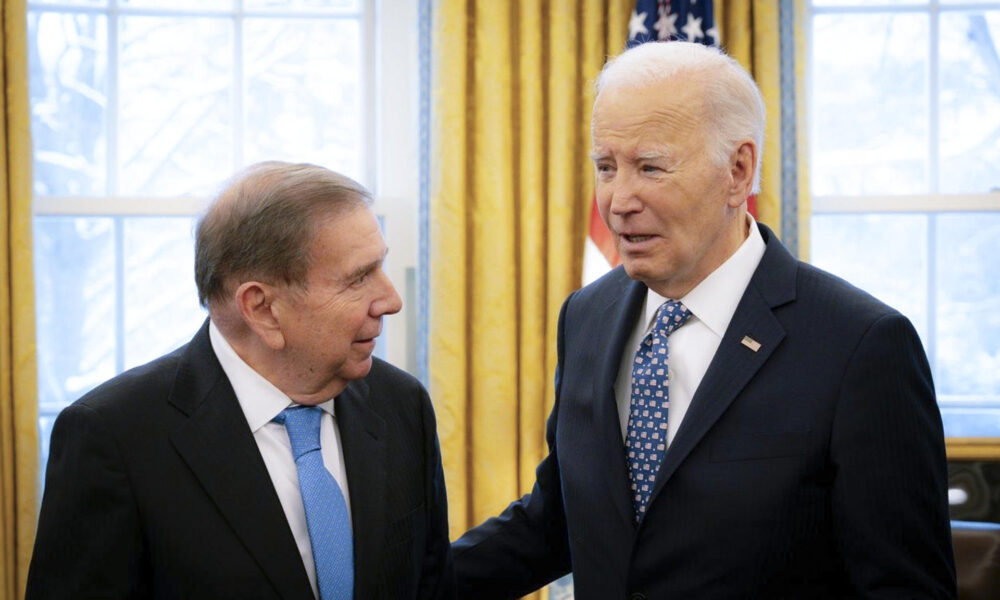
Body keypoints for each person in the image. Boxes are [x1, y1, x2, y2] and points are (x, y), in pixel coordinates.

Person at [452, 41, 956, 598]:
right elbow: (560, 521)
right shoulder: (585, 316)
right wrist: (395, 580)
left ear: (738, 172)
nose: (618, 200)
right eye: (606, 167)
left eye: (650, 167)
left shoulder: (861, 346)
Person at [27, 162, 455, 599]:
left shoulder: (401, 405)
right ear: (262, 308)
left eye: (379, 267)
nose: (391, 299)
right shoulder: (114, 436)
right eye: (358, 278)